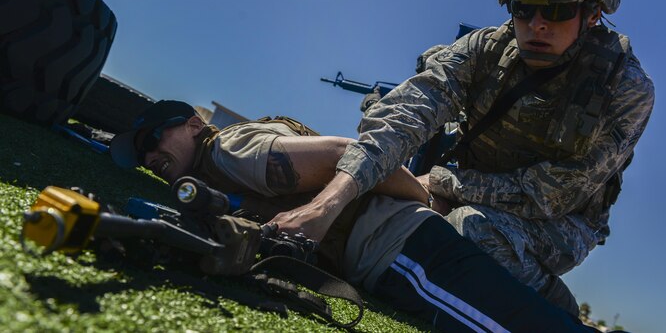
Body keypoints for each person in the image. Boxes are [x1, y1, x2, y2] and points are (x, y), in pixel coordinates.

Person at [267, 0, 655, 316]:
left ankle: (552, 305)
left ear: (593, 14)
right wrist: (327, 206)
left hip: (561, 222)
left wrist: (443, 184)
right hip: (468, 185)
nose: (537, 24)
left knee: (468, 232)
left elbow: (551, 193)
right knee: (373, 187)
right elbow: (406, 111)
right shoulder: (486, 49)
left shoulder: (625, 90)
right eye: (524, 8)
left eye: (556, 11)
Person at [111, 100, 598, 332]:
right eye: (142, 152)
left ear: (195, 124)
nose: (151, 152)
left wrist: (417, 198)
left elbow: (349, 152)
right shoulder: (218, 166)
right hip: (394, 249)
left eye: (157, 136)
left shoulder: (227, 152)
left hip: (397, 248)